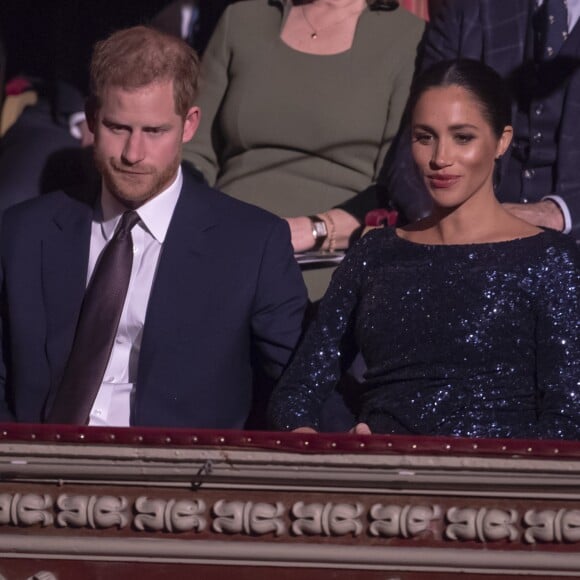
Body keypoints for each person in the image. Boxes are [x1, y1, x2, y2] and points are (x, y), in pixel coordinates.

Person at [0, 26, 307, 429]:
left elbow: (301, 384)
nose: (133, 153)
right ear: (92, 119)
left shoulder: (252, 243)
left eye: (154, 131)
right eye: (118, 128)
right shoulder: (23, 232)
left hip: (176, 480)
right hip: (31, 473)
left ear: (190, 124)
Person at [268, 59, 580, 439]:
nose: (440, 158)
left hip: (501, 484)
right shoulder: (376, 253)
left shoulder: (551, 260)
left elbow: (567, 415)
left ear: (502, 141)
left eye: (462, 137)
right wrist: (330, 449)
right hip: (379, 480)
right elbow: (297, 391)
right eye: (424, 137)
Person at [182, 0, 425, 299]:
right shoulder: (243, 18)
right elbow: (194, 150)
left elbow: (396, 183)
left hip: (328, 257)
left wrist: (314, 230)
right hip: (222, 238)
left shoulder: (408, 36)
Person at [348, 0, 580, 240]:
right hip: (459, 241)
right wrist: (443, 230)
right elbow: (413, 150)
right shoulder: (468, 10)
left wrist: (558, 213)